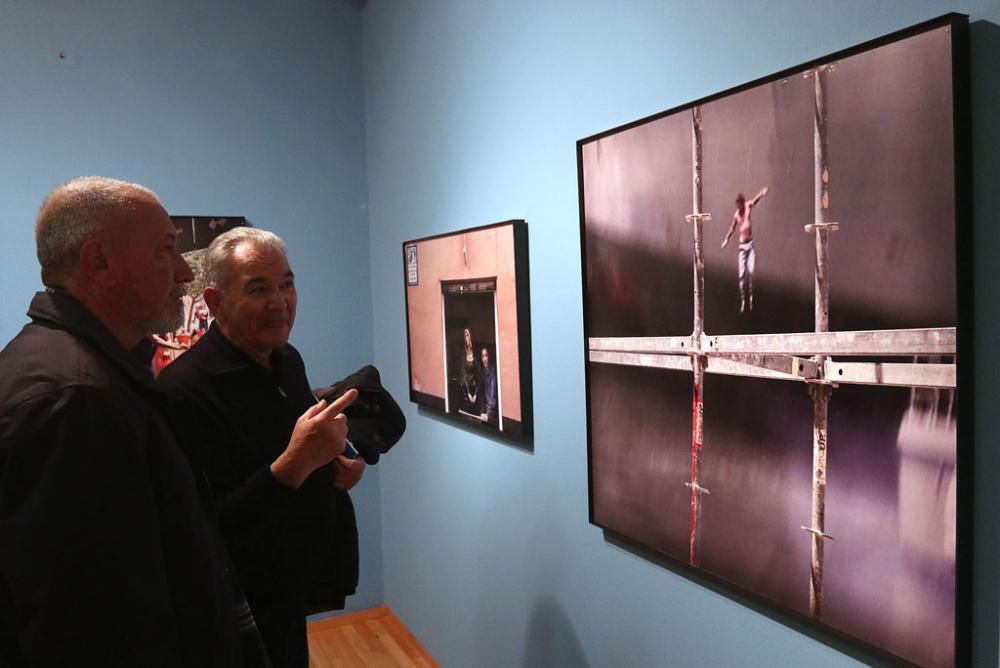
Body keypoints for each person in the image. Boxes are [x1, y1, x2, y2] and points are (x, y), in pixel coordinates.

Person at [0, 176, 249, 665]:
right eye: (166, 250)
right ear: (100, 263)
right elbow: (93, 628)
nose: (183, 272)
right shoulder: (75, 402)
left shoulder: (83, 371)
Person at [157, 227, 362, 668]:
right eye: (258, 288)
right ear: (214, 303)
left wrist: (338, 464)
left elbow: (303, 451)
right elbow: (202, 529)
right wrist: (292, 465)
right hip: (237, 610)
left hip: (291, 591)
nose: (280, 302)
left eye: (287, 284)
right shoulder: (182, 392)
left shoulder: (287, 359)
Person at [721, 186, 769, 312]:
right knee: (742, 275)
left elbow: (755, 201)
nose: (740, 208)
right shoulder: (737, 215)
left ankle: (752, 295)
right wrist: (727, 239)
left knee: (752, 271)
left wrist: (762, 193)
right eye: (738, 206)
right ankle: (743, 298)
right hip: (742, 247)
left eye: (741, 205)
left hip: (750, 245)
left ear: (743, 203)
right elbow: (732, 228)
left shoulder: (747, 206)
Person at [459, 327, 478, 412]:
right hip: (466, 386)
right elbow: (463, 373)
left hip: (474, 385)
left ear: (470, 336)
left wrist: (475, 395)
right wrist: (469, 394)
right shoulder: (463, 351)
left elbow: (478, 373)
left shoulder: (475, 351)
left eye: (467, 335)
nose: (466, 337)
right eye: (465, 335)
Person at [479, 346, 498, 426]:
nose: (484, 358)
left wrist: (488, 413)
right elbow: (481, 394)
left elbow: (493, 394)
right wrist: (482, 411)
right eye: (483, 356)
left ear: (489, 356)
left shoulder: (493, 370)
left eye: (486, 355)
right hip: (484, 409)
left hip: (492, 409)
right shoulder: (481, 371)